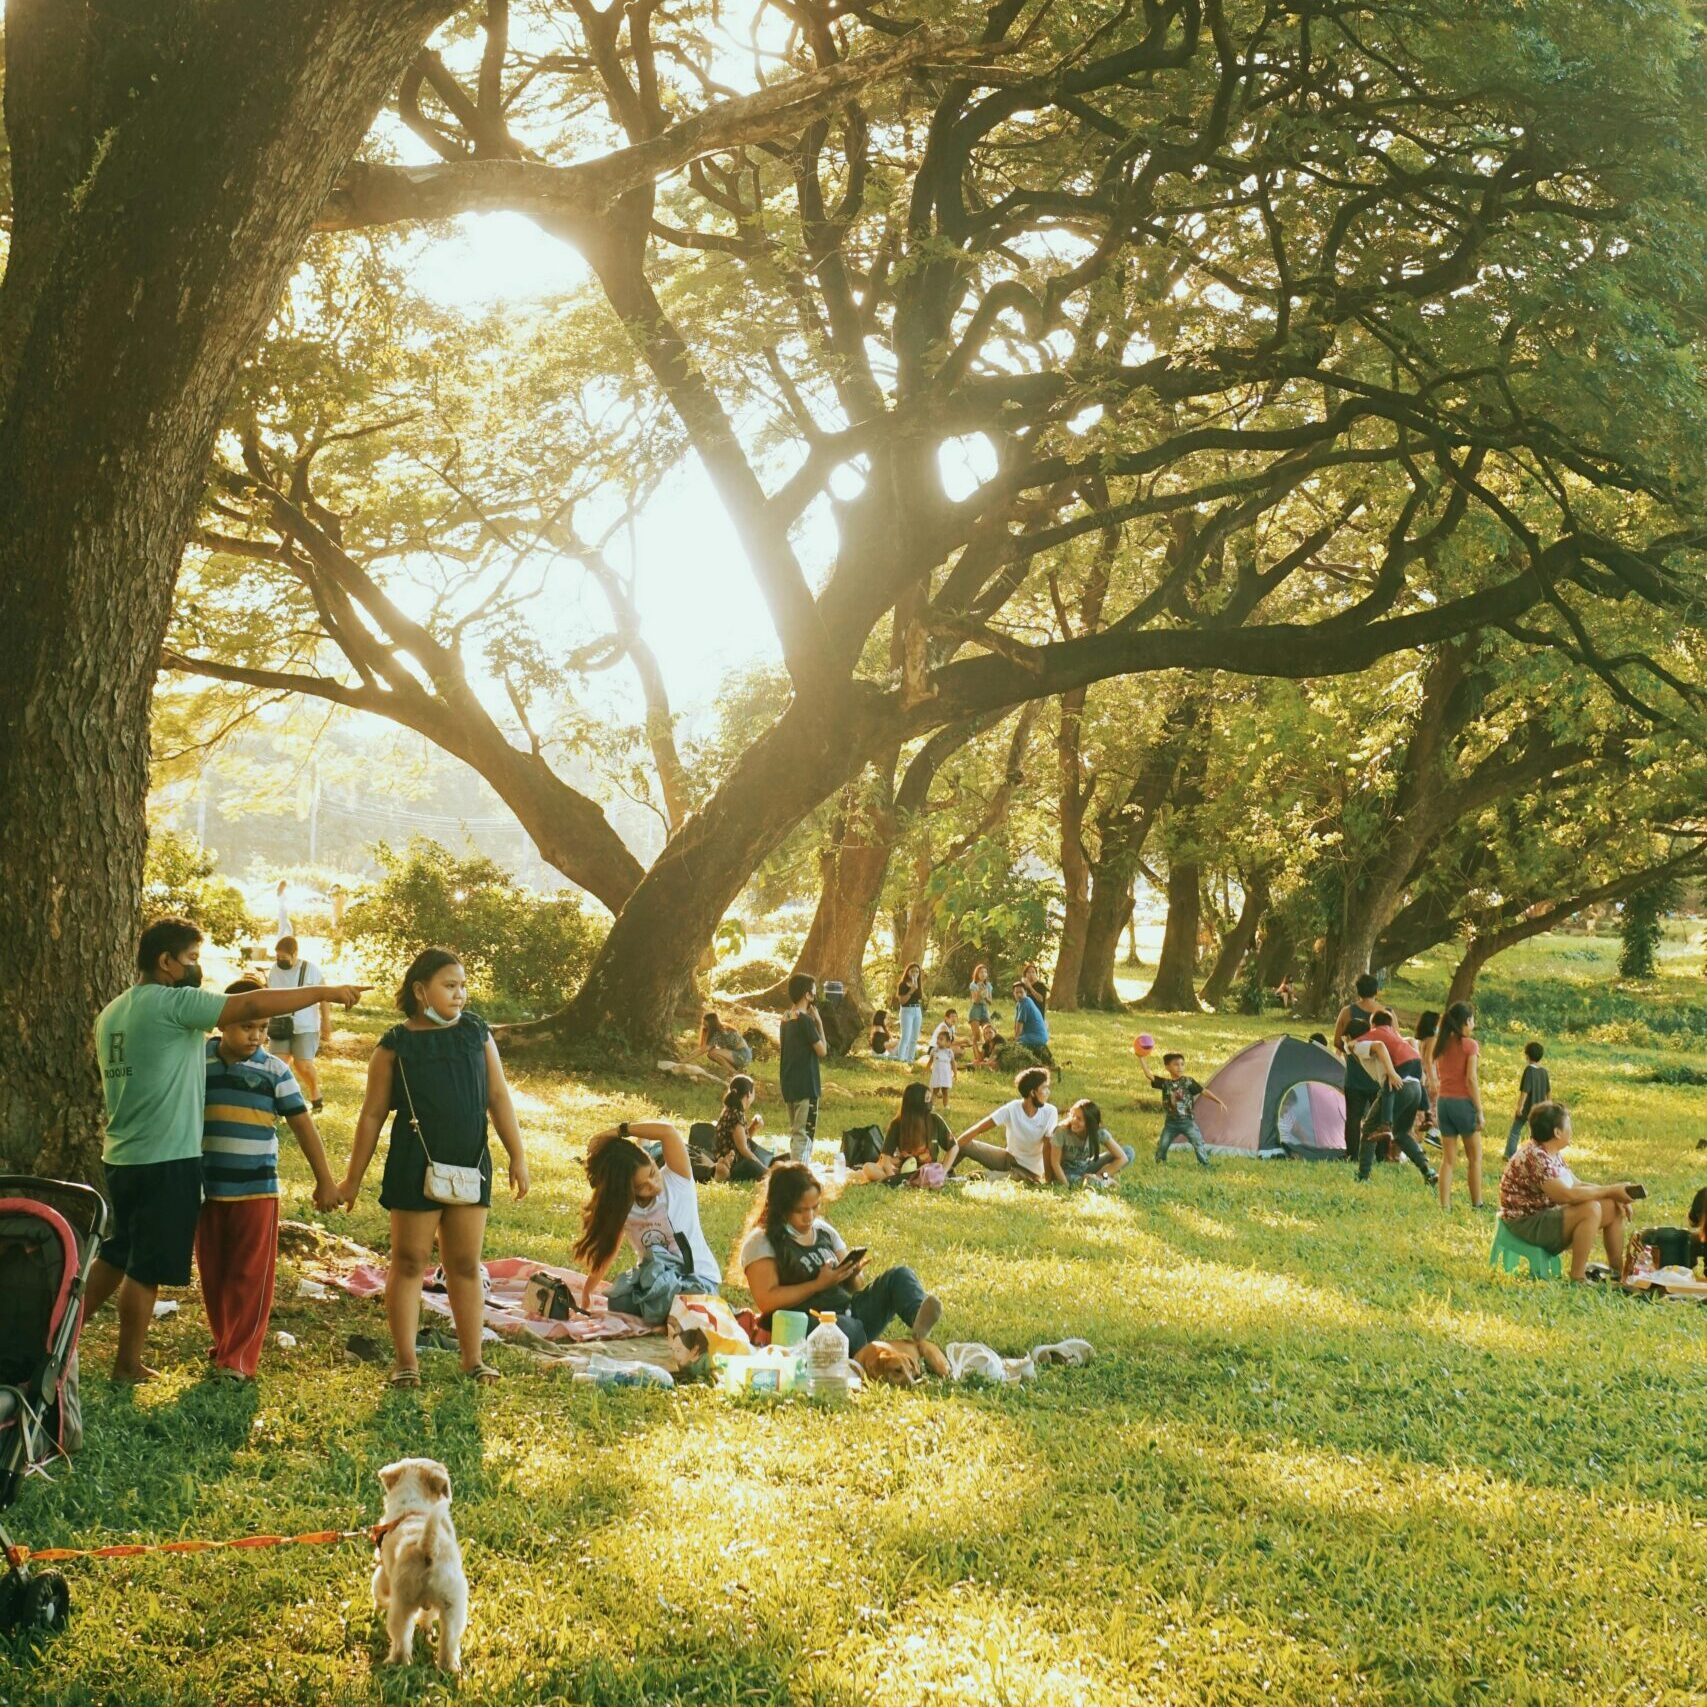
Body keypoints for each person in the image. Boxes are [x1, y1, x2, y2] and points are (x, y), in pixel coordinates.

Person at [87, 916, 366, 1383]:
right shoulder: (171, 1004)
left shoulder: (113, 1011)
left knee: (119, 1250)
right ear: (166, 963)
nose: (197, 968)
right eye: (192, 959)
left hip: (121, 1155)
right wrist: (323, 992)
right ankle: (127, 1365)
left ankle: (62, 1339)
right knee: (146, 1264)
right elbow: (250, 1002)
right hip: (165, 1158)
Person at [340, 948, 529, 1386]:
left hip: (469, 1162)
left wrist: (517, 1156)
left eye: (463, 985)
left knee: (465, 1263)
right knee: (408, 1262)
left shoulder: (476, 1033)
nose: (460, 994)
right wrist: (352, 1180)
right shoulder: (395, 1045)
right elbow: (371, 1115)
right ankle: (406, 1362)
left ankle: (473, 1359)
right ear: (420, 990)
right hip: (413, 1164)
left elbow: (499, 1098)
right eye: (449, 985)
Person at [199, 976, 343, 1380]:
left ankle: (238, 1358)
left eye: (263, 1028)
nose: (256, 1036)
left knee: (249, 1275)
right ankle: (225, 1341)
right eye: (247, 1027)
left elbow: (302, 1126)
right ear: (222, 1022)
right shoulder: (198, 1061)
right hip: (208, 1190)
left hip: (256, 1190)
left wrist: (325, 1181)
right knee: (214, 1273)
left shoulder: (275, 1071)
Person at [736, 1162, 942, 1354]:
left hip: (849, 1311)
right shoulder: (762, 1241)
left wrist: (850, 1274)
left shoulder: (823, 1230)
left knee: (899, 1276)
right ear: (781, 1207)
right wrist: (817, 1285)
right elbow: (767, 1300)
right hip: (806, 1322)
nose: (809, 1217)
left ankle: (918, 1320)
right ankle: (878, 1349)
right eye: (800, 1210)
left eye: (814, 1207)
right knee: (845, 1328)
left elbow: (857, 1286)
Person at [574, 1120, 721, 1323]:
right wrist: (587, 1293)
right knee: (619, 1300)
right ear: (628, 1190)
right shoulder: (624, 1207)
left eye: (652, 1173)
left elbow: (668, 1132)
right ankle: (666, 1315)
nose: (654, 1185)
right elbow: (608, 1250)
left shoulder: (677, 1179)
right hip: (655, 1284)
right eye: (643, 1186)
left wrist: (618, 1131)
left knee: (679, 1300)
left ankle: (672, 1314)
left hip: (696, 1280)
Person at [1497, 1101, 1634, 1281]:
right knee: (1590, 1209)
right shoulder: (1535, 1157)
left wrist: (1614, 1195)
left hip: (1545, 1215)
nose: (1571, 1129)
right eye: (1568, 1124)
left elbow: (1576, 1184)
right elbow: (1566, 1195)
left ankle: (1618, 1273)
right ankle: (1577, 1276)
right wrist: (1612, 1189)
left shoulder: (1550, 1152)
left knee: (1613, 1206)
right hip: (1526, 1223)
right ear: (1557, 1132)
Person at [1352, 1011, 1436, 1188]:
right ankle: (1428, 1170)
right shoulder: (1394, 1036)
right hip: (1415, 1087)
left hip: (1399, 1084)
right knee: (1402, 1134)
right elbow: (1410, 1044)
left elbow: (1379, 1046)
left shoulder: (1362, 1042)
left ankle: (1363, 1176)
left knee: (1368, 1129)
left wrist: (1391, 1073)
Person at [944, 1067, 1057, 1183]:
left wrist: (1048, 1180)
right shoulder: (1012, 1108)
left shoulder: (1050, 1112)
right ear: (1032, 1092)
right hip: (1008, 1158)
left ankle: (955, 1181)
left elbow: (1048, 1147)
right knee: (964, 1144)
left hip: (1028, 1171)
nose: (1048, 1092)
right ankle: (944, 1172)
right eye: (1044, 1088)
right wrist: (943, 1166)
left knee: (987, 1177)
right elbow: (978, 1129)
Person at [268, 935, 331, 1113]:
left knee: (302, 1064)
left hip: (306, 1026)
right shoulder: (274, 970)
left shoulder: (310, 969)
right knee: (277, 1065)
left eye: (284, 958)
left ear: (294, 954)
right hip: (280, 1023)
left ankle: (315, 1093)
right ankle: (279, 1102)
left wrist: (326, 1022)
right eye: (277, 957)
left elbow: (325, 996)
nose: (280, 961)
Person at [1433, 1000, 1485, 1211]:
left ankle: (1445, 1206)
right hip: (1463, 1103)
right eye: (1472, 1019)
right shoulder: (1470, 1045)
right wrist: (1479, 1110)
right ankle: (1477, 1203)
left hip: (1443, 1103)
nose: (1473, 1024)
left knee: (1448, 1159)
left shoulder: (1441, 1043)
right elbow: (1471, 1079)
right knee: (1475, 1158)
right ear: (1466, 1021)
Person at [1332, 974, 1384, 1166]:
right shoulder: (1385, 1012)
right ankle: (1381, 1155)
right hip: (1378, 1073)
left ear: (1358, 991)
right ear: (1376, 990)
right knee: (1380, 1117)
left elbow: (1337, 1040)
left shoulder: (1347, 1012)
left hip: (1355, 1073)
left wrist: (1351, 1050)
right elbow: (1394, 1040)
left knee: (1353, 1117)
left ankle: (1352, 1154)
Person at [779, 973, 827, 1163]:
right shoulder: (805, 1021)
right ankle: (798, 1175)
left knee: (795, 1132)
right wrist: (819, 1023)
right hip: (807, 1085)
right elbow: (822, 1051)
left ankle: (794, 1168)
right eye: (814, 990)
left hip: (789, 1083)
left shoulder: (786, 1019)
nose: (816, 993)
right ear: (807, 995)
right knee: (804, 1135)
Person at [1151, 1053, 1224, 1166]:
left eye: (1182, 1064)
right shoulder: (1166, 1084)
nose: (1180, 1067)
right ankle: (1160, 1163)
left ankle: (1205, 1164)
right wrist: (1141, 1057)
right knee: (1163, 1145)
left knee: (1198, 1142)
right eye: (1176, 1064)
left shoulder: (1188, 1081)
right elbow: (1149, 1076)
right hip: (1171, 1123)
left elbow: (1203, 1091)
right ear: (1167, 1067)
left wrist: (1218, 1101)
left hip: (1188, 1122)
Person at [1049, 1098, 1132, 1187]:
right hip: (1067, 1172)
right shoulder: (1061, 1131)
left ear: (1090, 1123)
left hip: (1087, 1166)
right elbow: (1055, 1163)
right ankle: (1106, 1181)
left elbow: (1122, 1158)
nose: (1074, 1120)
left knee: (1128, 1152)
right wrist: (1065, 1185)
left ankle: (1103, 1178)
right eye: (1073, 1115)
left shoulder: (1098, 1133)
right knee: (1091, 1184)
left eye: (1079, 1119)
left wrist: (1098, 1176)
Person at [712, 1073, 774, 1184]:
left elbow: (740, 1140)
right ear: (749, 1094)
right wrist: (764, 1168)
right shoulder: (736, 1114)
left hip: (731, 1161)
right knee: (755, 1163)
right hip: (734, 1166)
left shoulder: (729, 1110)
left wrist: (754, 1127)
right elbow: (743, 1149)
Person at [883, 1081, 952, 1178]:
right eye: (927, 1099)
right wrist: (893, 1179)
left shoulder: (935, 1120)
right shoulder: (897, 1124)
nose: (931, 1102)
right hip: (903, 1172)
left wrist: (943, 1172)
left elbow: (954, 1147)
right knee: (869, 1168)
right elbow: (885, 1159)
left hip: (928, 1172)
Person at [1506, 1041, 1551, 1160]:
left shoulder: (1529, 1070)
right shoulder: (1544, 1072)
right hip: (1539, 1109)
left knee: (1515, 1131)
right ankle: (1536, 1156)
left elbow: (1525, 1091)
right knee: (1535, 1135)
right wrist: (1549, 1106)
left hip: (1527, 1108)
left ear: (1527, 1055)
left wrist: (1520, 1107)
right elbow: (1548, 1091)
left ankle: (1510, 1154)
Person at [888, 963, 925, 1065]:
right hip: (906, 1011)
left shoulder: (918, 984)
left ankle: (910, 1059)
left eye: (917, 972)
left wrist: (916, 988)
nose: (914, 973)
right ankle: (901, 1059)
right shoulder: (902, 984)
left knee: (914, 1037)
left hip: (917, 1010)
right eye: (912, 971)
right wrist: (911, 990)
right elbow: (902, 1001)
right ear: (908, 972)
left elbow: (919, 998)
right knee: (906, 1036)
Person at [1011, 980, 1053, 1064]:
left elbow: (1019, 1025)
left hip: (1037, 1036)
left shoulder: (1025, 1003)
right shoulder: (1019, 1004)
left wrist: (1016, 1040)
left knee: (1014, 1045)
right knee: (1013, 1041)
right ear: (1013, 993)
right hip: (1031, 1035)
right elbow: (1016, 1024)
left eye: (1021, 992)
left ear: (1026, 992)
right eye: (1017, 992)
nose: (1019, 995)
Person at [1415, 1009, 1442, 1143]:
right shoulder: (1432, 1040)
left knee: (1423, 1109)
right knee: (1436, 1107)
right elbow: (1428, 1059)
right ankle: (1433, 1133)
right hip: (1429, 1075)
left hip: (1421, 1075)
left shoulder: (1422, 1040)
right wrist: (1433, 1079)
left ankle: (1420, 1138)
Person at [927, 1009, 959, 1108]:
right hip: (937, 1073)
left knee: (945, 1091)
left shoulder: (949, 1052)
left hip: (946, 1074)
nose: (938, 1041)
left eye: (941, 1040)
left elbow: (953, 1063)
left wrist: (955, 1073)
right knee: (935, 1090)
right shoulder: (935, 1051)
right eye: (938, 1039)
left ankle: (946, 1105)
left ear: (947, 1043)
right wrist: (926, 1069)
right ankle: (931, 1105)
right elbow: (930, 1061)